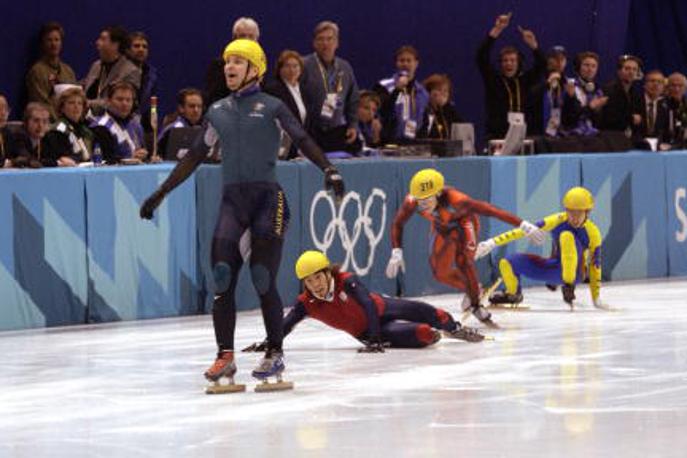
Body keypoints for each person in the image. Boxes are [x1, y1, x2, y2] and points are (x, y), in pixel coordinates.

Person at [139, 39, 345, 390]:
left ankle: (275, 351)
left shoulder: (273, 106)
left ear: (255, 69)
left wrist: (329, 169)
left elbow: (302, 138)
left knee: (263, 277)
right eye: (226, 62)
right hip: (233, 203)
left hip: (267, 200)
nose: (229, 67)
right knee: (222, 278)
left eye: (237, 61)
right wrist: (161, 192)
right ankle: (225, 356)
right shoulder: (217, 110)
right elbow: (193, 158)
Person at [385, 168, 545, 327]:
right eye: (419, 201)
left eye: (427, 200)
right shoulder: (412, 201)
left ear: (439, 193)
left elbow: (492, 211)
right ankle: (474, 288)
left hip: (464, 225)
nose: (423, 205)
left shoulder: (459, 201)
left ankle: (476, 305)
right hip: (441, 228)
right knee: (440, 273)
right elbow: (398, 223)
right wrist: (396, 251)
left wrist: (524, 225)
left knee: (463, 262)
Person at [244, 251, 484, 353]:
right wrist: (269, 343)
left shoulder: (346, 280)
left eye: (318, 277)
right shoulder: (306, 303)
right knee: (423, 334)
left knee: (436, 315)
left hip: (381, 308)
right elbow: (286, 324)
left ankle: (455, 329)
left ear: (328, 273)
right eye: (309, 281)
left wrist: (377, 337)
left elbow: (368, 304)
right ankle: (438, 333)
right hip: (368, 332)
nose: (315, 284)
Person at [476, 187, 609, 310]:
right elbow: (523, 230)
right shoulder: (557, 219)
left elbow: (595, 265)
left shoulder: (593, 233)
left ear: (587, 212)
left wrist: (596, 297)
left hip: (576, 274)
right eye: (570, 211)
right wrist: (492, 242)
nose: (573, 217)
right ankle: (513, 294)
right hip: (554, 270)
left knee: (567, 236)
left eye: (578, 212)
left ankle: (568, 285)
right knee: (508, 261)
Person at [476, 12, 546, 139]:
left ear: (518, 62)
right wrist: (497, 30)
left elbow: (542, 65)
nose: (509, 64)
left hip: (523, 134)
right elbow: (481, 57)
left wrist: (533, 45)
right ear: (501, 63)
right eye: (505, 60)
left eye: (512, 60)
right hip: (497, 135)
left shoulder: (525, 80)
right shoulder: (494, 80)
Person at [301, 21, 359, 152]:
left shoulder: (345, 67)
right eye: (320, 39)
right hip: (310, 131)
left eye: (329, 39)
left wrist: (353, 125)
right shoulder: (303, 65)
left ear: (337, 43)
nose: (325, 43)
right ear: (314, 43)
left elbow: (353, 100)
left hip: (336, 131)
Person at [373, 45, 429, 143]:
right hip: (388, 143)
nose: (405, 64)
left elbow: (425, 121)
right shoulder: (384, 86)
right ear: (396, 63)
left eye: (409, 60)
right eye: (402, 60)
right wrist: (397, 90)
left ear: (416, 63)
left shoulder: (422, 92)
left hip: (413, 144)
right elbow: (382, 111)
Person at [82, 26, 141, 115]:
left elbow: (119, 103)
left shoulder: (131, 71)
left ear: (115, 45)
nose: (97, 43)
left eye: (103, 39)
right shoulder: (96, 65)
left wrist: (86, 103)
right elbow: (85, 86)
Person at [263, 50, 310, 159]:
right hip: (282, 147)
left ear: (301, 69)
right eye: (287, 66)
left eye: (295, 66)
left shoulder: (305, 90)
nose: (292, 70)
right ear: (280, 69)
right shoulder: (273, 90)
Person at [25, 21, 77, 120]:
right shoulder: (37, 72)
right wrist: (61, 121)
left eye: (57, 40)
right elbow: (41, 103)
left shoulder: (68, 71)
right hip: (48, 124)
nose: (53, 44)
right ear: (42, 43)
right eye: (49, 40)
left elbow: (76, 98)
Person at [90, 82, 149, 164]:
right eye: (119, 99)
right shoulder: (101, 127)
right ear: (109, 101)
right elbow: (104, 161)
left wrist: (149, 157)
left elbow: (143, 151)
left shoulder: (136, 125)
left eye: (128, 100)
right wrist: (130, 158)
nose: (124, 104)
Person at [205, 17, 260, 104]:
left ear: (257, 40)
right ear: (234, 39)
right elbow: (214, 99)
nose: (247, 39)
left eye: (251, 36)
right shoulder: (220, 65)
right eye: (242, 36)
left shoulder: (261, 65)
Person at [42, 86, 98, 167]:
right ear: (62, 108)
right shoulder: (57, 130)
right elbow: (63, 158)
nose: (76, 106)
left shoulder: (86, 130)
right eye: (71, 103)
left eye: (80, 103)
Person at [561, 51, 607, 136]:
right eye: (586, 65)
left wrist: (597, 111)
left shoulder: (598, 91)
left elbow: (599, 121)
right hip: (572, 134)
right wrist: (590, 107)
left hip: (592, 134)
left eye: (593, 66)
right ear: (578, 67)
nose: (590, 69)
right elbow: (569, 118)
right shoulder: (570, 86)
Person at [599, 54, 643, 135]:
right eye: (627, 69)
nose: (631, 72)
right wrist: (631, 119)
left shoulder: (636, 93)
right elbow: (608, 118)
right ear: (619, 71)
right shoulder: (608, 90)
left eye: (634, 69)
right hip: (611, 136)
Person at [157, 88, 204, 157]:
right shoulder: (173, 130)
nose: (196, 110)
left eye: (199, 106)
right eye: (192, 106)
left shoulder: (204, 129)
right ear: (181, 108)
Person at [127, 31, 159, 129]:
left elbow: (152, 103)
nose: (141, 49)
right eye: (136, 46)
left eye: (144, 47)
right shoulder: (121, 71)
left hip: (140, 124)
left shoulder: (151, 74)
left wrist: (153, 118)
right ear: (127, 50)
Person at [417, 74, 464, 139]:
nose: (443, 94)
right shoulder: (422, 110)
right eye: (439, 90)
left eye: (446, 91)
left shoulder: (449, 110)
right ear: (428, 92)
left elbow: (462, 128)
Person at [8, 102, 50, 168]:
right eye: (36, 121)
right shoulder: (18, 136)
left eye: (45, 121)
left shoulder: (47, 137)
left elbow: (53, 157)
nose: (41, 126)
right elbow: (28, 159)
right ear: (26, 122)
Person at [666, 72, 687, 146]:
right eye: (673, 85)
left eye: (680, 86)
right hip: (666, 143)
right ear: (667, 87)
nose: (676, 89)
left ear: (685, 88)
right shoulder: (660, 105)